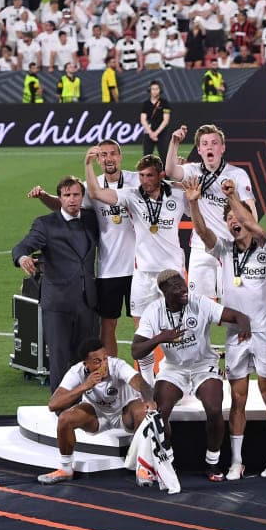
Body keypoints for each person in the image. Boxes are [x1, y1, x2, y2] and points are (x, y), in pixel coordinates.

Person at [186, 177, 266, 481]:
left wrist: (232, 199)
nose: (233, 222)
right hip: (235, 335)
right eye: (228, 219)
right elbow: (202, 232)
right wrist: (194, 203)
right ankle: (237, 461)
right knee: (237, 399)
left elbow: (253, 224)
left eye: (237, 217)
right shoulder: (225, 249)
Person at [132, 269, 250, 482]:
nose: (183, 290)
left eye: (183, 284)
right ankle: (167, 462)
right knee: (160, 412)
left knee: (214, 408)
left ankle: (212, 462)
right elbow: (136, 350)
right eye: (176, 287)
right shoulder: (154, 311)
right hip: (173, 368)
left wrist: (244, 323)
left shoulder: (199, 302)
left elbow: (235, 315)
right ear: (165, 292)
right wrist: (160, 338)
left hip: (203, 365)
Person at [85, 152, 188, 384]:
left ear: (160, 175)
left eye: (149, 175)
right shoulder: (132, 195)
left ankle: (176, 377)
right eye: (141, 175)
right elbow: (96, 193)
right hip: (142, 274)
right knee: (142, 331)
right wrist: (88, 164)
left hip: (171, 274)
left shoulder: (177, 195)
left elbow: (197, 204)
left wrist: (182, 179)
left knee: (175, 328)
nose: (144, 180)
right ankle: (148, 381)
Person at [30, 141, 139, 358]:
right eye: (103, 155)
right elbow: (66, 204)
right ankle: (110, 372)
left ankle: (145, 373)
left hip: (139, 268)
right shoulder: (91, 185)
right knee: (107, 325)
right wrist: (43, 196)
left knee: (142, 324)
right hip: (109, 269)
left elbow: (160, 186)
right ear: (98, 160)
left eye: (112, 154)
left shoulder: (137, 180)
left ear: (120, 156)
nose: (108, 158)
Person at [13, 176, 100, 391]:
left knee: (85, 356)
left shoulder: (91, 219)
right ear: (59, 198)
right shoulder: (45, 224)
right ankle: (61, 404)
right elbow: (23, 246)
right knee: (59, 357)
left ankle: (85, 402)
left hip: (87, 301)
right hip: (58, 303)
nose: (72, 199)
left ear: (82, 197)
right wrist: (22, 258)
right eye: (67, 195)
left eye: (76, 195)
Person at [37, 338, 155, 485]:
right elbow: (53, 404)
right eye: (97, 361)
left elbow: (141, 383)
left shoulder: (117, 365)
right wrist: (84, 386)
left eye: (105, 358)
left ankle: (143, 468)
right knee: (65, 419)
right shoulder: (77, 372)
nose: (104, 364)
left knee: (142, 411)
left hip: (123, 413)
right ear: (85, 364)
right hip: (96, 415)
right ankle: (66, 469)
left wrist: (149, 400)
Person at [165, 124, 255, 302]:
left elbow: (252, 213)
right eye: (204, 144)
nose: (209, 147)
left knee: (232, 303)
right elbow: (170, 171)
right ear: (199, 150)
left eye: (214, 143)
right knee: (198, 305)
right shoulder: (192, 171)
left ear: (222, 148)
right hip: (201, 248)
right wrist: (174, 143)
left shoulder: (237, 175)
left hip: (230, 247)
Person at [140, 81, 172, 159]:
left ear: (160, 90)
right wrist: (151, 133)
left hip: (162, 133)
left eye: (157, 89)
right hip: (148, 132)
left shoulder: (164, 103)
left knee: (164, 156)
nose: (154, 91)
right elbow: (143, 120)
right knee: (146, 157)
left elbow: (166, 120)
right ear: (150, 90)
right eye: (153, 89)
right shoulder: (146, 103)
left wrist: (156, 133)